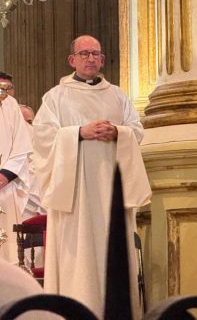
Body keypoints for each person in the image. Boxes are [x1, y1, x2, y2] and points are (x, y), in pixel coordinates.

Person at [32, 35, 151, 317]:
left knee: (113, 245)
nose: (90, 58)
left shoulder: (118, 95)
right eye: (84, 53)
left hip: (111, 187)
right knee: (78, 253)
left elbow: (136, 129)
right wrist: (78, 133)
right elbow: (43, 137)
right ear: (72, 60)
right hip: (75, 194)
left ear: (102, 59)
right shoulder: (56, 97)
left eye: (96, 54)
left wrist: (118, 132)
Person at [0, 90, 32, 264]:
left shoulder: (8, 103)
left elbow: (22, 145)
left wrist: (5, 175)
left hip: (3, 187)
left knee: (7, 252)